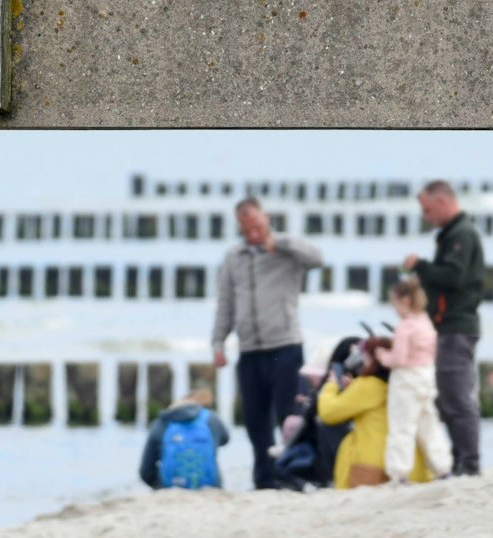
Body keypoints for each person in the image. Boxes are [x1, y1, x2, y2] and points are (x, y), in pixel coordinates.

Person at [211, 196, 325, 490]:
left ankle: (291, 474)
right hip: (249, 350)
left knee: (289, 416)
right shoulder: (234, 257)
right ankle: (264, 477)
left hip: (284, 346)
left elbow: (317, 258)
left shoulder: (287, 250)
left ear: (267, 218)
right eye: (246, 229)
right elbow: (226, 301)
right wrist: (218, 342)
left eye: (257, 227)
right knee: (254, 419)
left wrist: (281, 244)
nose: (252, 235)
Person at [403, 179, 487, 475]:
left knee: (456, 397)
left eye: (427, 210)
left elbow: (454, 276)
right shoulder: (453, 233)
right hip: (449, 326)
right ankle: (461, 459)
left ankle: (469, 463)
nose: (427, 217)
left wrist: (420, 266)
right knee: (448, 396)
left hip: (457, 326)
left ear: (442, 202)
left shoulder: (461, 234)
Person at [315, 339, 434, 488]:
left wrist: (330, 386)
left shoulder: (368, 385)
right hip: (414, 467)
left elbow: (328, 413)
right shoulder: (406, 384)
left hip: (373, 468)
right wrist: (353, 389)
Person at [375, 277, 453, 482]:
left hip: (406, 379)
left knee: (402, 427)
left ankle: (399, 473)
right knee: (429, 424)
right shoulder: (425, 321)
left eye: (395, 304)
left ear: (405, 301)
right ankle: (442, 467)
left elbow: (398, 358)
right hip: (426, 375)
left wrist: (382, 355)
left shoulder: (406, 326)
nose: (395, 310)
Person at [139, 388, 229, 490]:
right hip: (211, 487)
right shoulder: (212, 419)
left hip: (168, 488)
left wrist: (158, 486)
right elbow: (225, 440)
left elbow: (145, 472)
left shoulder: (162, 422)